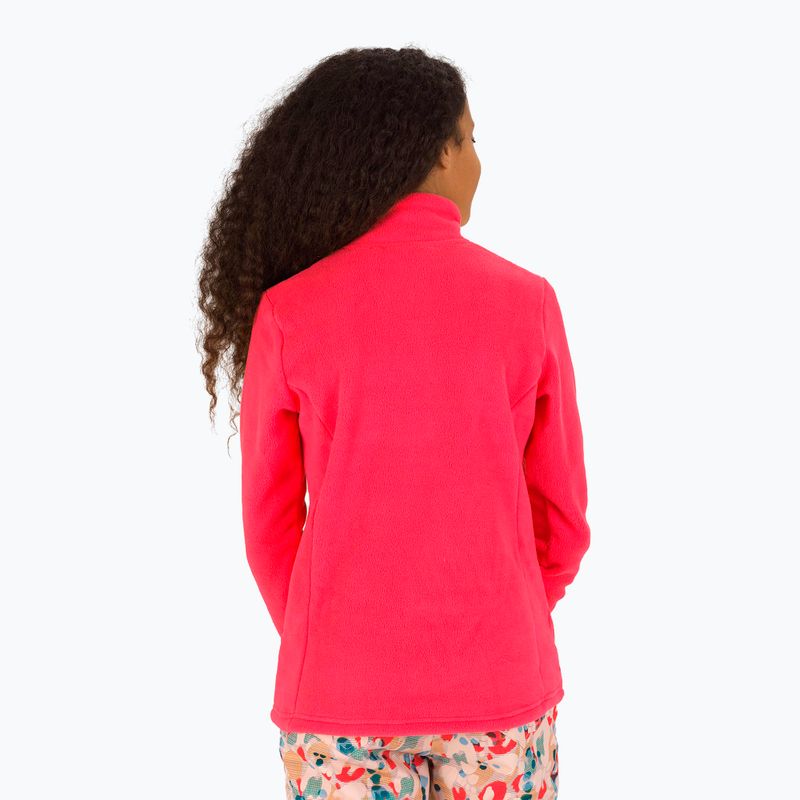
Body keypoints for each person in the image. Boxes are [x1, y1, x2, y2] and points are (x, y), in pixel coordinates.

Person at [197, 45, 590, 800]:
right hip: (501, 690)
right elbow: (564, 522)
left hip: (338, 702)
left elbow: (269, 528)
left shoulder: (289, 312)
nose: (478, 163)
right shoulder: (528, 303)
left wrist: (334, 637)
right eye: (471, 140)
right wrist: (500, 617)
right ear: (438, 151)